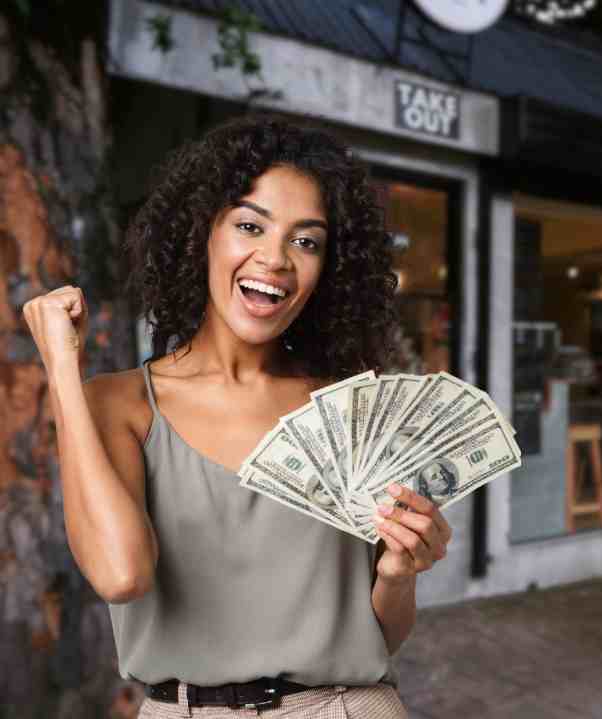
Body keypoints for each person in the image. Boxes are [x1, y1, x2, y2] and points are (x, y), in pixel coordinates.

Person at [22, 114, 452, 718]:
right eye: (250, 225)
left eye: (307, 241)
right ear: (202, 233)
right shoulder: (117, 404)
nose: (275, 259)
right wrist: (62, 371)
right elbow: (121, 575)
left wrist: (400, 574)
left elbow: (380, 636)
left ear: (330, 266)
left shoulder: (350, 407)